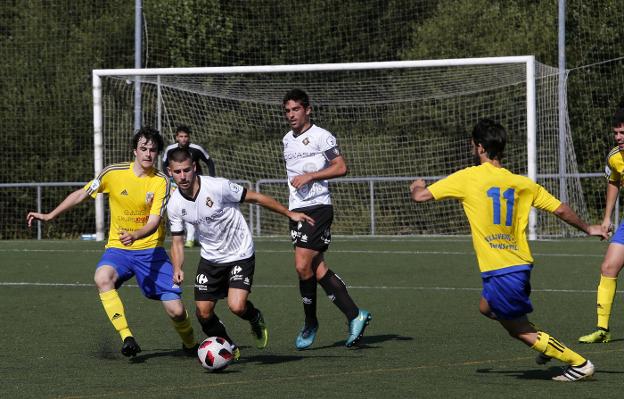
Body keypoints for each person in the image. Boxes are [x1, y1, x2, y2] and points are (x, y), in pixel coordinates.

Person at [410, 119, 607, 382]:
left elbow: (420, 197)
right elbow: (560, 208)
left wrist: (416, 185)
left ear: (479, 147)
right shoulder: (521, 183)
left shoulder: (468, 177)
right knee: (485, 307)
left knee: (518, 330)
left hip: (502, 270)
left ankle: (578, 363)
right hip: (519, 265)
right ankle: (544, 343)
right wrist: (588, 228)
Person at [26, 127, 197, 358]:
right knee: (102, 277)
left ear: (157, 154)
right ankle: (127, 337)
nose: (148, 154)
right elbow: (82, 193)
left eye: (153, 150)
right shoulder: (112, 173)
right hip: (119, 250)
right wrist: (49, 215)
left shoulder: (161, 182)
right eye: (143, 149)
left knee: (176, 311)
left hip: (151, 252)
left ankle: (191, 344)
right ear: (134, 151)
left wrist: (136, 235)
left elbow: (155, 222)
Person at [166, 147, 315, 358]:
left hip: (240, 253)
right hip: (210, 258)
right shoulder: (174, 205)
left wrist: (289, 213)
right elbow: (178, 241)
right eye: (177, 172)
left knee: (237, 306)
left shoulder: (217, 186)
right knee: (203, 313)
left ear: (194, 168)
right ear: (170, 172)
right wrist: (178, 267)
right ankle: (229, 347)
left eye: (186, 170)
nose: (183, 176)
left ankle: (254, 317)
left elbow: (256, 198)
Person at [281, 88, 371, 349]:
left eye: (296, 109)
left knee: (301, 266)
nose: (291, 115)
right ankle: (355, 315)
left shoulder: (322, 136)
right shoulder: (287, 140)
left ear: (308, 109)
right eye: (287, 110)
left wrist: (312, 176)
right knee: (316, 268)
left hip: (318, 207)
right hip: (296, 209)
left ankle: (310, 323)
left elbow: (341, 167)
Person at [578, 104, 624, 344]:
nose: (618, 137)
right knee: (608, 267)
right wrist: (607, 218)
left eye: (623, 133)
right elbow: (614, 182)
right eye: (616, 133)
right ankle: (602, 329)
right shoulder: (614, 157)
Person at [163, 124, 216, 248]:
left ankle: (196, 237)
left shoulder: (196, 149)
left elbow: (209, 161)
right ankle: (190, 238)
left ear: (189, 137)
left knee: (199, 209)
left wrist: (212, 178)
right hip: (177, 183)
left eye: (186, 136)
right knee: (182, 208)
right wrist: (171, 179)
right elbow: (164, 164)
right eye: (181, 136)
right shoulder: (170, 149)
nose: (183, 139)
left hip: (196, 183)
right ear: (176, 137)